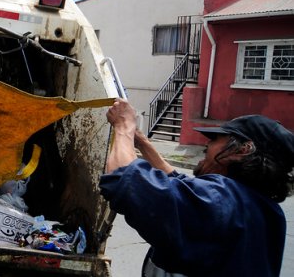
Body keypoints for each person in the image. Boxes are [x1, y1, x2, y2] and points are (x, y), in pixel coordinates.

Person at [100, 98, 293, 277]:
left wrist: (124, 126)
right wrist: (141, 142)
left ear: (242, 150)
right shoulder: (268, 210)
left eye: (215, 140)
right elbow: (179, 183)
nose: (206, 146)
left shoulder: (220, 200)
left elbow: (123, 177)